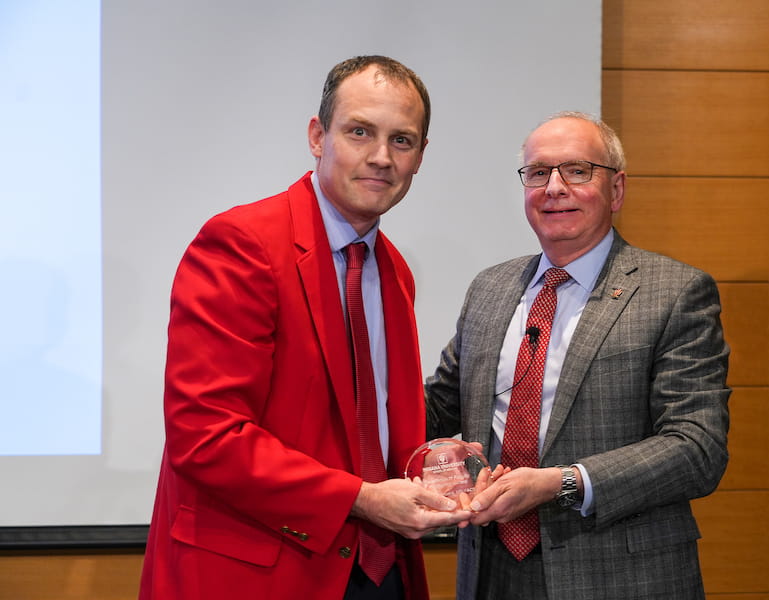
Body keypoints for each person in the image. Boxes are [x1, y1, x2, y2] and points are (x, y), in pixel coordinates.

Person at [140, 55, 473, 600]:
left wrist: (431, 462)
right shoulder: (242, 243)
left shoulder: (393, 270)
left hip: (380, 568)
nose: (381, 157)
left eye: (402, 140)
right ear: (318, 136)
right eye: (360, 131)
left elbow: (365, 424)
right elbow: (206, 435)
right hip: (257, 574)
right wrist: (359, 498)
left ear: (421, 156)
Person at [425, 112, 731, 599]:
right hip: (490, 570)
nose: (554, 187)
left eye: (577, 171)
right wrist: (433, 450)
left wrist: (562, 482)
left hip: (619, 575)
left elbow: (698, 449)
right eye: (539, 173)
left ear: (617, 189)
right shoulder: (489, 289)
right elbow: (437, 407)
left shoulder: (675, 292)